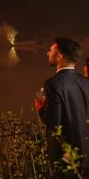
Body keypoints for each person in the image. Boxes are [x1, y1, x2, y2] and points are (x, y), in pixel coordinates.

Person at [34, 37, 89, 176]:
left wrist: (40, 108)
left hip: (66, 155)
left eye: (51, 50)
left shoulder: (53, 84)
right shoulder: (85, 82)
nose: (47, 53)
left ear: (59, 56)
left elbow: (54, 122)